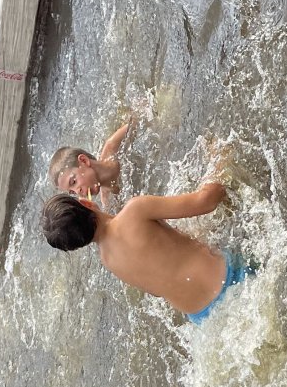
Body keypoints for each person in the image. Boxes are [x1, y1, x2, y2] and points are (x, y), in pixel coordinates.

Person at [40, 175, 247, 323]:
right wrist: (219, 168)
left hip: (204, 318)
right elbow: (206, 201)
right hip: (230, 278)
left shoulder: (108, 261)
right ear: (86, 203)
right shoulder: (135, 210)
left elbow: (156, 289)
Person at [48, 118, 132, 201]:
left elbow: (137, 118)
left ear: (84, 161)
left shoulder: (114, 145)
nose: (78, 192)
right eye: (72, 192)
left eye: (73, 182)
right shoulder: (108, 200)